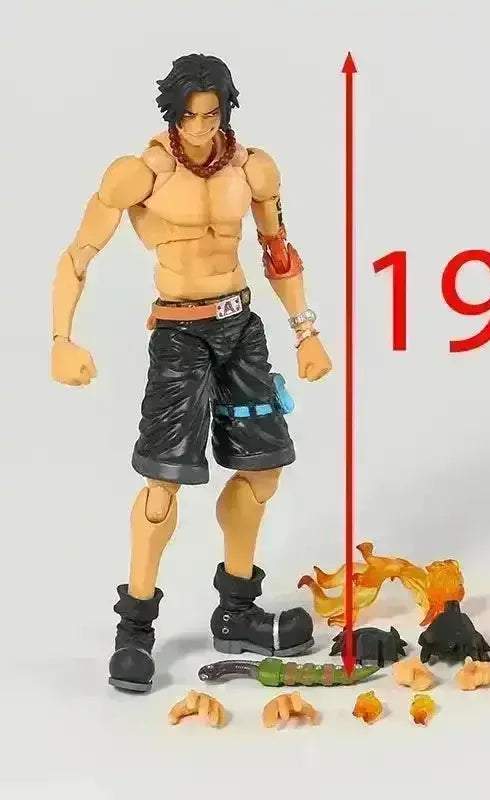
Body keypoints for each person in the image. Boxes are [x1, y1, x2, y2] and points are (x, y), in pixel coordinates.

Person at [50, 53, 332, 693]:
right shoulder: (139, 175)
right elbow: (77, 256)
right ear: (172, 115)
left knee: (263, 468)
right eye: (191, 116)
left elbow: (278, 252)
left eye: (212, 115)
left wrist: (305, 330)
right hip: (180, 335)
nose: (202, 127)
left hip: (241, 328)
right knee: (162, 483)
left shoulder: (252, 169)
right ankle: (135, 628)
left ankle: (237, 610)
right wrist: (62, 340)